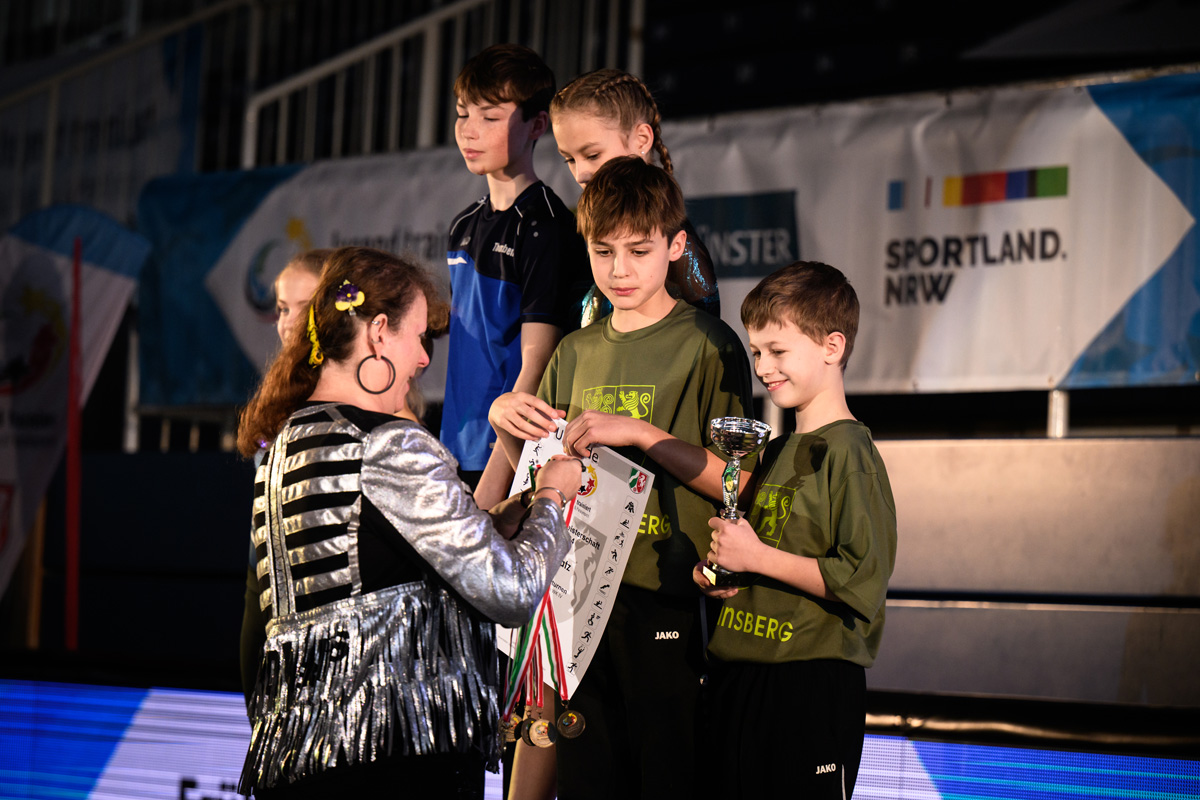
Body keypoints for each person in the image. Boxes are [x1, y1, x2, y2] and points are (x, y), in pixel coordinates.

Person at [235, 246, 583, 798]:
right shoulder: (390, 445)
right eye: (418, 337)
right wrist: (551, 499)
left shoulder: (284, 444)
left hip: (301, 758)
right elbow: (511, 589)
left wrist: (496, 519)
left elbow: (372, 563)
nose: (423, 359)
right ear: (378, 333)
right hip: (394, 758)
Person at [488, 157, 754, 800]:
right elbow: (540, 471)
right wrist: (505, 422)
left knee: (666, 776)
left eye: (639, 251)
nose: (619, 270)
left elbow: (737, 482)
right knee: (587, 778)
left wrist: (639, 433)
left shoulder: (709, 345)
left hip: (667, 593)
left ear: (676, 246)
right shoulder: (574, 350)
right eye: (603, 252)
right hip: (576, 601)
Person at [694, 261, 898, 799]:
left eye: (777, 351)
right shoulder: (776, 449)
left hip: (808, 684)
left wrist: (756, 557)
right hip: (738, 677)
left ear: (832, 346)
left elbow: (861, 578)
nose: (763, 367)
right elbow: (765, 554)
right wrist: (719, 573)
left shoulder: (850, 451)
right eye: (756, 352)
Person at [442, 43, 591, 509]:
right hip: (455, 446)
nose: (469, 130)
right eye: (463, 113)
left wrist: (494, 483)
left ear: (537, 125)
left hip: (505, 457)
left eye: (490, 116)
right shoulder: (463, 225)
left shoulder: (546, 226)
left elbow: (537, 363)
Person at [549, 68, 719, 324]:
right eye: (569, 160)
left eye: (593, 155)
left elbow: (700, 334)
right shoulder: (581, 224)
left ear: (641, 139)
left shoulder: (675, 243)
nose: (580, 174)